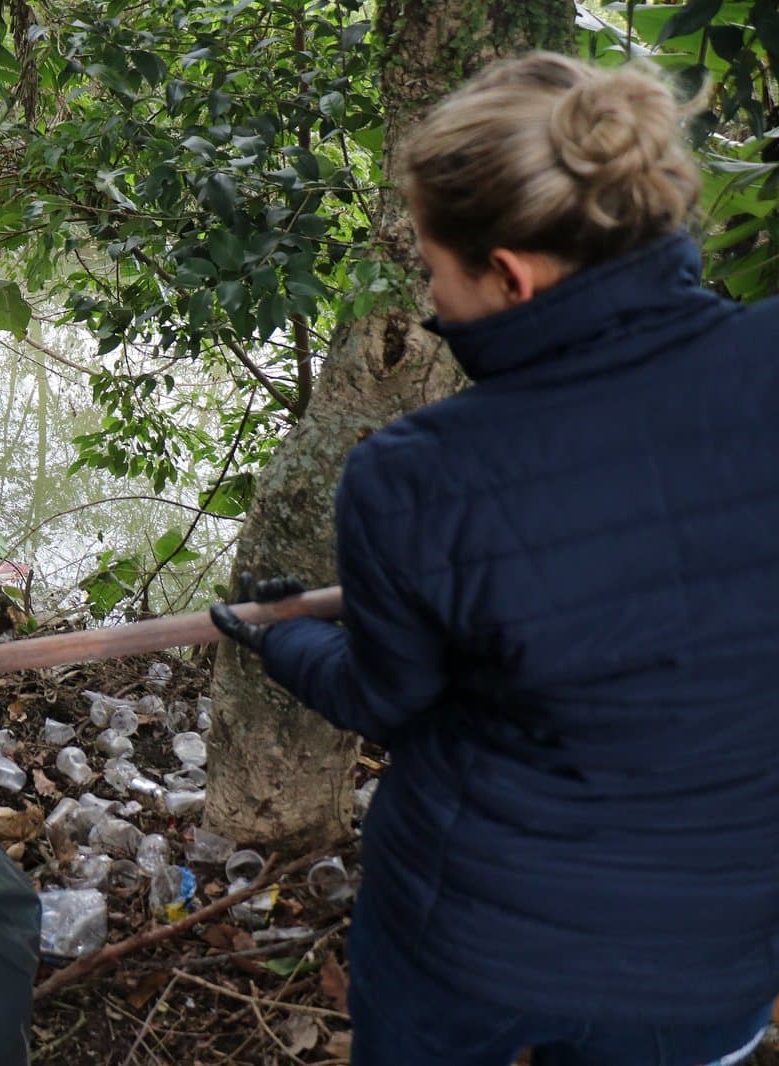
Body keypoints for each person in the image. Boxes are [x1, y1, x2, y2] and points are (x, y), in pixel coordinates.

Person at [213, 54, 779, 1066]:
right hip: (713, 947)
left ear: (510, 274)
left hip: (470, 940)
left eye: (433, 270)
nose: (428, 294)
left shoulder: (414, 477)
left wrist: (280, 638)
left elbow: (388, 697)